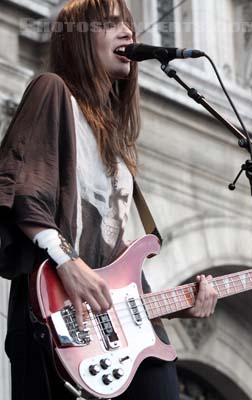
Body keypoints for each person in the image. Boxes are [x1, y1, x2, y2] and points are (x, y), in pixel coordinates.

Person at [0, 1, 218, 399]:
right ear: (80, 39)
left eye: (128, 25)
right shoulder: (52, 91)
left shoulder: (115, 142)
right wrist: (66, 260)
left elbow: (118, 259)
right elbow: (22, 189)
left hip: (120, 329)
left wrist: (175, 303)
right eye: (109, 24)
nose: (127, 33)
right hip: (58, 312)